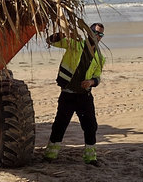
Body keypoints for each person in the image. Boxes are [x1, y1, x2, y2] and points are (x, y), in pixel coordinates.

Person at [43, 23, 107, 166]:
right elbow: (50, 41)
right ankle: (50, 155)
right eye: (96, 33)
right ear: (89, 32)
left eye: (101, 35)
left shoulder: (100, 57)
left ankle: (91, 158)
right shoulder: (75, 44)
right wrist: (63, 34)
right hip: (68, 94)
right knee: (60, 124)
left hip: (84, 96)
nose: (98, 36)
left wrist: (91, 82)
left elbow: (97, 77)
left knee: (90, 126)